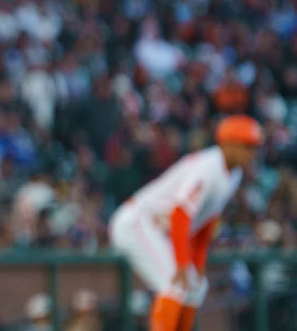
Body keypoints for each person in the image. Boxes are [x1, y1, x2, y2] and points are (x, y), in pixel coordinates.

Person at [109, 115, 262, 331]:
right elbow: (181, 214)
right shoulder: (208, 167)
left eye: (254, 147)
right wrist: (182, 263)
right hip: (136, 223)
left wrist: (196, 264)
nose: (252, 154)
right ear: (228, 143)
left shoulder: (233, 174)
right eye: (247, 146)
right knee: (174, 282)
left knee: (196, 286)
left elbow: (206, 223)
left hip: (158, 230)